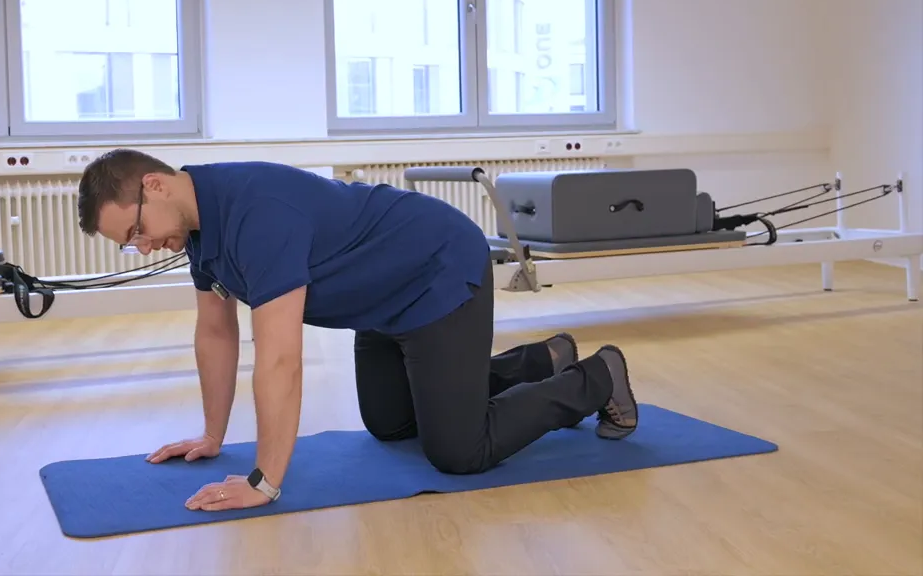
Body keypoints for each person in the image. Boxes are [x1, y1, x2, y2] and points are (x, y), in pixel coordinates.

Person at [76, 148, 638, 513]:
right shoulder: (198, 230)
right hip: (378, 305)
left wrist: (263, 482)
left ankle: (595, 378)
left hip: (435, 271)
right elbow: (216, 334)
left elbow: (280, 359)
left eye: (136, 230)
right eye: (130, 243)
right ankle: (543, 361)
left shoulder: (256, 213)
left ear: (155, 185)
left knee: (459, 450)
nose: (142, 247)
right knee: (391, 425)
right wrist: (212, 435)